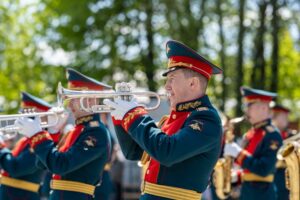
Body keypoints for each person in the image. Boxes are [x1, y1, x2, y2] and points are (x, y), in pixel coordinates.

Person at [104, 40, 223, 200]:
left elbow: (166, 152)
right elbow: (134, 152)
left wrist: (133, 113)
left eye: (172, 79)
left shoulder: (206, 119)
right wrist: (120, 118)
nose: (166, 86)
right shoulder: (173, 119)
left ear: (192, 83)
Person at [15, 68, 112, 200]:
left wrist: (37, 135)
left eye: (74, 99)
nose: (69, 104)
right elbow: (42, 164)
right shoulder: (75, 131)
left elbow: (60, 165)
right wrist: (53, 133)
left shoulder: (96, 132)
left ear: (90, 100)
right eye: (69, 98)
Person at [224, 87, 283, 200]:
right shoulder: (250, 133)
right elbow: (249, 168)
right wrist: (238, 176)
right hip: (246, 192)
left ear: (263, 108)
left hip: (262, 195)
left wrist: (238, 153)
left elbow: (264, 169)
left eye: (249, 106)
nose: (246, 110)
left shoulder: (272, 135)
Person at [0, 91, 52, 200]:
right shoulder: (25, 140)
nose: (21, 118)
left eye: (25, 114)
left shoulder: (40, 141)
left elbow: (16, 168)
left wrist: (1, 148)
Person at [272, 104, 291, 200]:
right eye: (284, 116)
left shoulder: (291, 135)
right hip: (273, 177)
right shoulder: (270, 136)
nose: (287, 119)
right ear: (275, 117)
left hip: (288, 178)